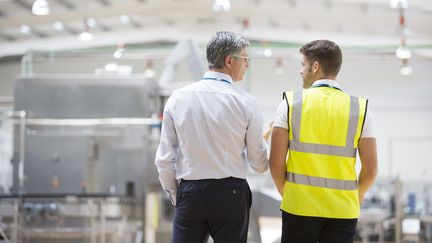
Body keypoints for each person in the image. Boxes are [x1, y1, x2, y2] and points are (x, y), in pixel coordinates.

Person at [155, 31, 269, 243]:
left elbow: (164, 158)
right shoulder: (246, 102)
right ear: (229, 61)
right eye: (245, 59)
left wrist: (176, 194)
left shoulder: (178, 98)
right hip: (230, 193)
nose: (247, 65)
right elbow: (258, 163)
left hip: (190, 192)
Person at [269, 39, 378, 243]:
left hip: (299, 207)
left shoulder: (290, 104)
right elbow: (371, 169)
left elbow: (275, 163)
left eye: (303, 64)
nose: (300, 71)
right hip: (343, 210)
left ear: (316, 66)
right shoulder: (361, 109)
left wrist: (290, 194)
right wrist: (357, 195)